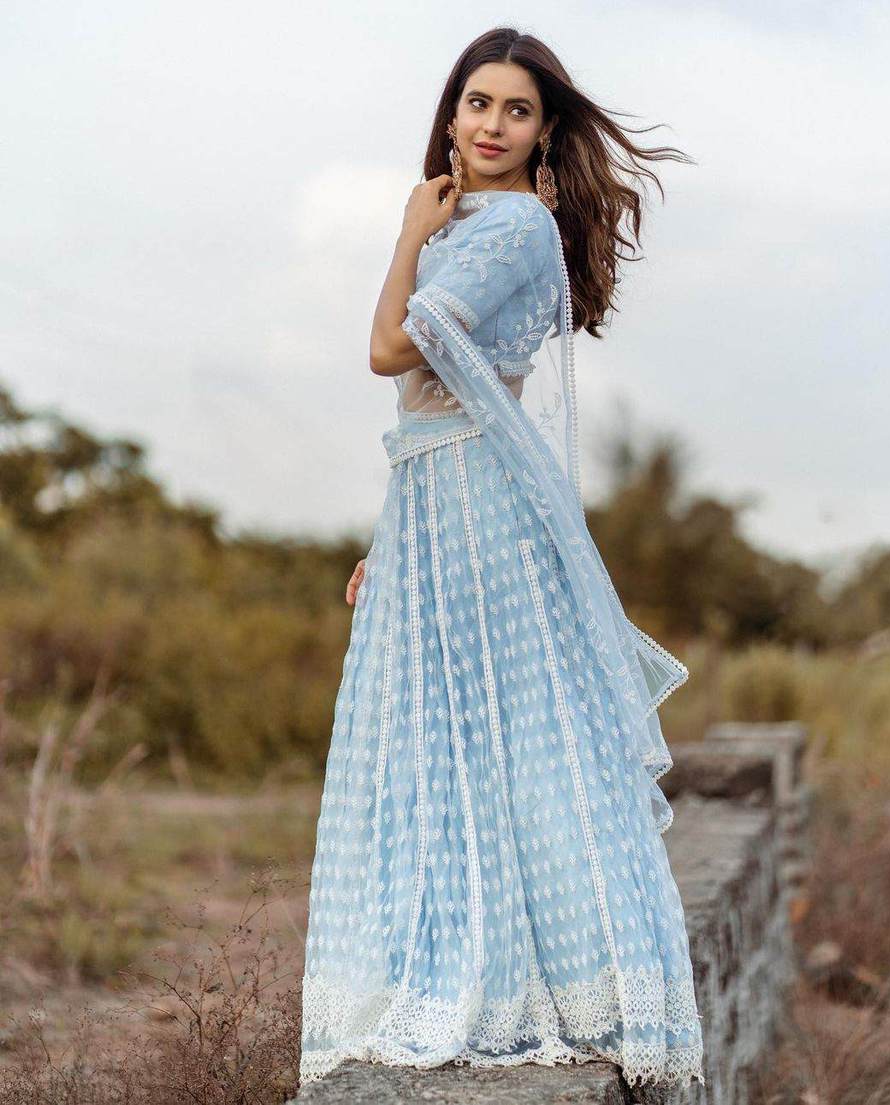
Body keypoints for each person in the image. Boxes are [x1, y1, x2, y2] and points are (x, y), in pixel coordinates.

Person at [297, 26, 706, 1093]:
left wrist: (402, 230)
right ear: (451, 114)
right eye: (476, 104)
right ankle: (481, 976)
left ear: (543, 130)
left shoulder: (513, 225)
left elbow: (392, 352)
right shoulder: (476, 220)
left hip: (476, 511)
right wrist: (390, 537)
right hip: (436, 501)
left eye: (514, 110)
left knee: (494, 736)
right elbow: (438, 402)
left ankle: (554, 984)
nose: (489, 125)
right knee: (453, 736)